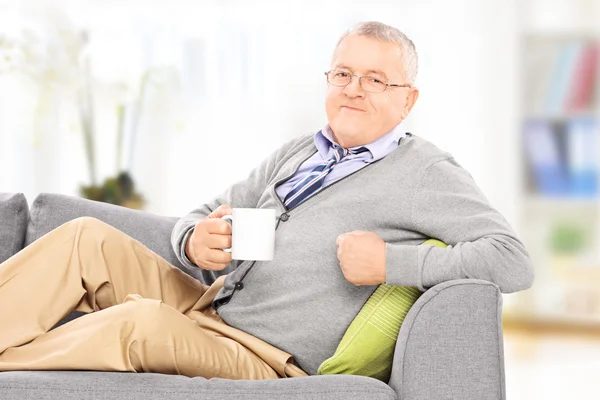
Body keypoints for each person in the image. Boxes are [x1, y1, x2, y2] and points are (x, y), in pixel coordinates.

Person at [0, 21, 533, 380]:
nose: (354, 89)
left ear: (407, 98)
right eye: (344, 74)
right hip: (207, 307)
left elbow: (512, 260)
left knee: (137, 323)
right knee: (81, 237)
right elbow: (203, 210)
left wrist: (393, 262)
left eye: (376, 79)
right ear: (328, 80)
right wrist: (194, 240)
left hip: (262, 355)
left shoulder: (426, 172)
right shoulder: (303, 149)